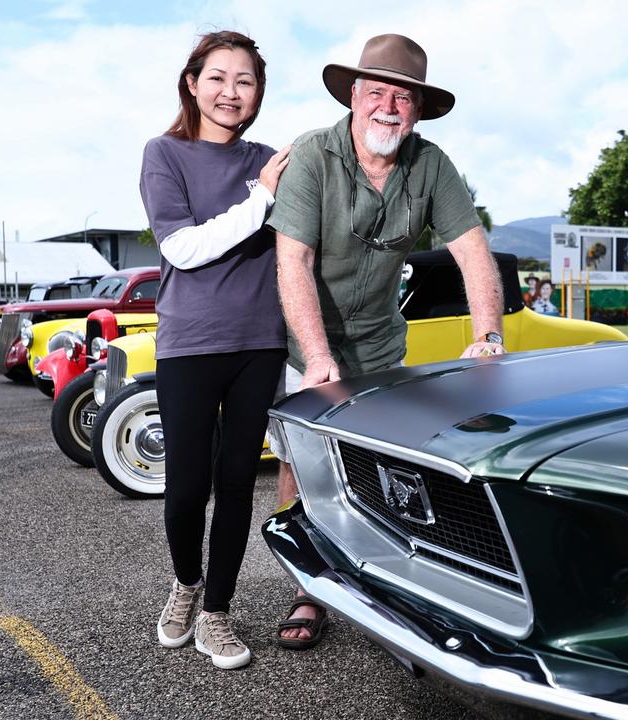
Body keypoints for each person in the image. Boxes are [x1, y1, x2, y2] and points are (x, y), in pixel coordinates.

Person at [268, 33, 505, 648]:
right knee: (302, 459)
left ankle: (380, 577)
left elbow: (473, 252)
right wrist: (317, 359)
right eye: (377, 92)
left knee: (378, 463)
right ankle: (306, 588)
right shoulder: (312, 157)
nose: (389, 107)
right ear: (354, 96)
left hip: (379, 343)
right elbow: (292, 262)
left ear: (419, 110)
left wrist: (487, 337)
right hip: (306, 339)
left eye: (404, 98)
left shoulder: (430, 164)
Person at [139, 30, 290, 670]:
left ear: (258, 94)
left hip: (259, 342)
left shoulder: (271, 158)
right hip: (189, 345)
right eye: (219, 78)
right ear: (193, 83)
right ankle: (186, 583)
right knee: (186, 486)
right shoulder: (164, 153)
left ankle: (218, 612)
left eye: (246, 81)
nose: (232, 93)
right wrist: (261, 199)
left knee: (236, 485)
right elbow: (182, 249)